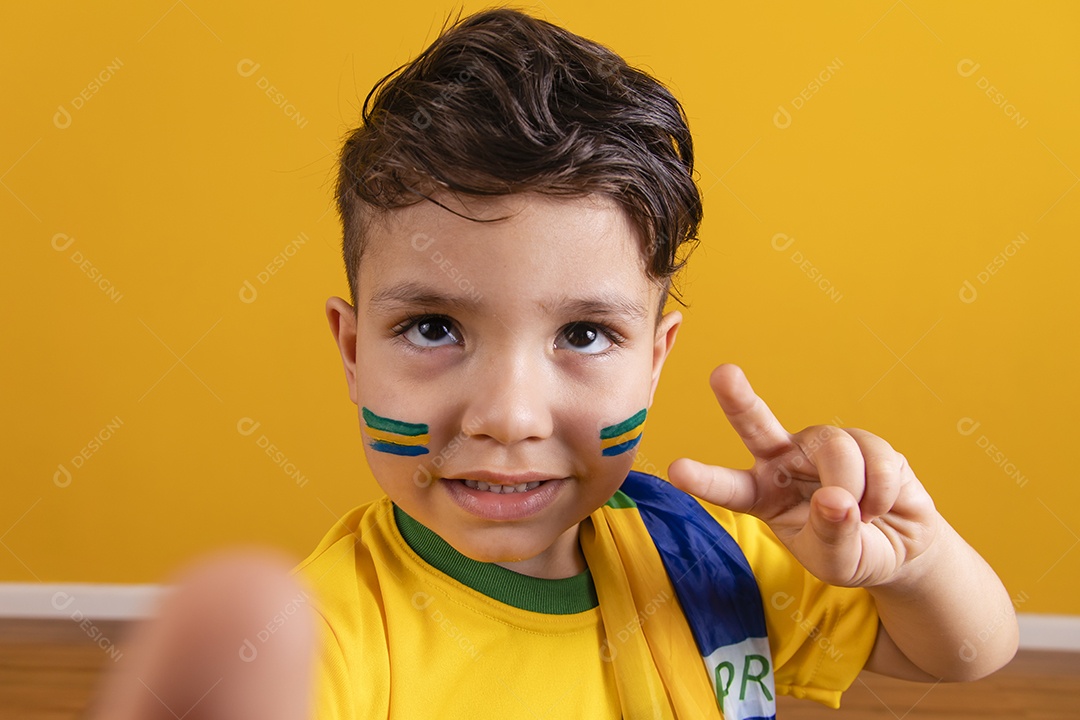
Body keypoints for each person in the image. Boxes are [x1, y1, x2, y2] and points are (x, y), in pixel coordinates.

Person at [85, 7, 1018, 719]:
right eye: (434, 328)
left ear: (654, 363)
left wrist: (913, 562)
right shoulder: (324, 636)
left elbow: (965, 654)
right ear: (352, 348)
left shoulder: (703, 556)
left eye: (581, 335)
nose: (507, 413)